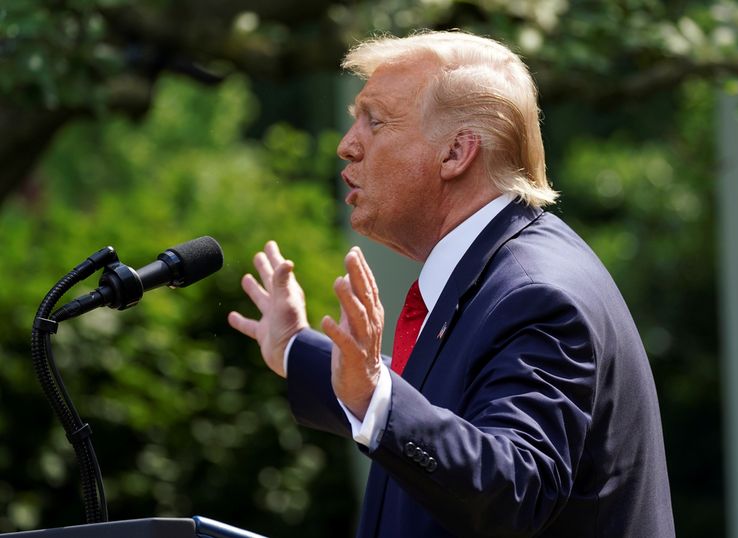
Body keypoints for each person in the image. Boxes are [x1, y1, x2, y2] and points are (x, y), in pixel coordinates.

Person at [228, 31, 675, 537]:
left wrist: (379, 396)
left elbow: (514, 486)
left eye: (374, 121)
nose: (347, 145)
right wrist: (293, 348)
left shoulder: (536, 295)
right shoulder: (501, 270)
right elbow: (448, 406)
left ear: (455, 153)